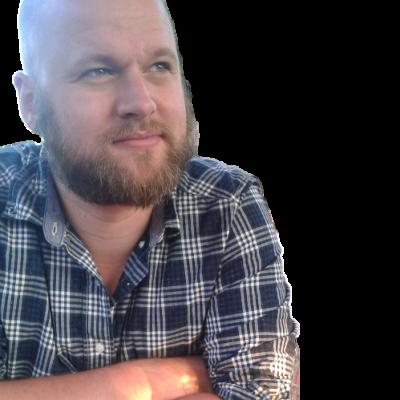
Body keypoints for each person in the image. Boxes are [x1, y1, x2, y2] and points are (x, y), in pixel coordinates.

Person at [0, 0, 300, 399]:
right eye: (98, 71)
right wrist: (138, 383)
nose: (141, 102)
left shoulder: (227, 205)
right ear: (30, 102)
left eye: (159, 66)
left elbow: (262, 393)